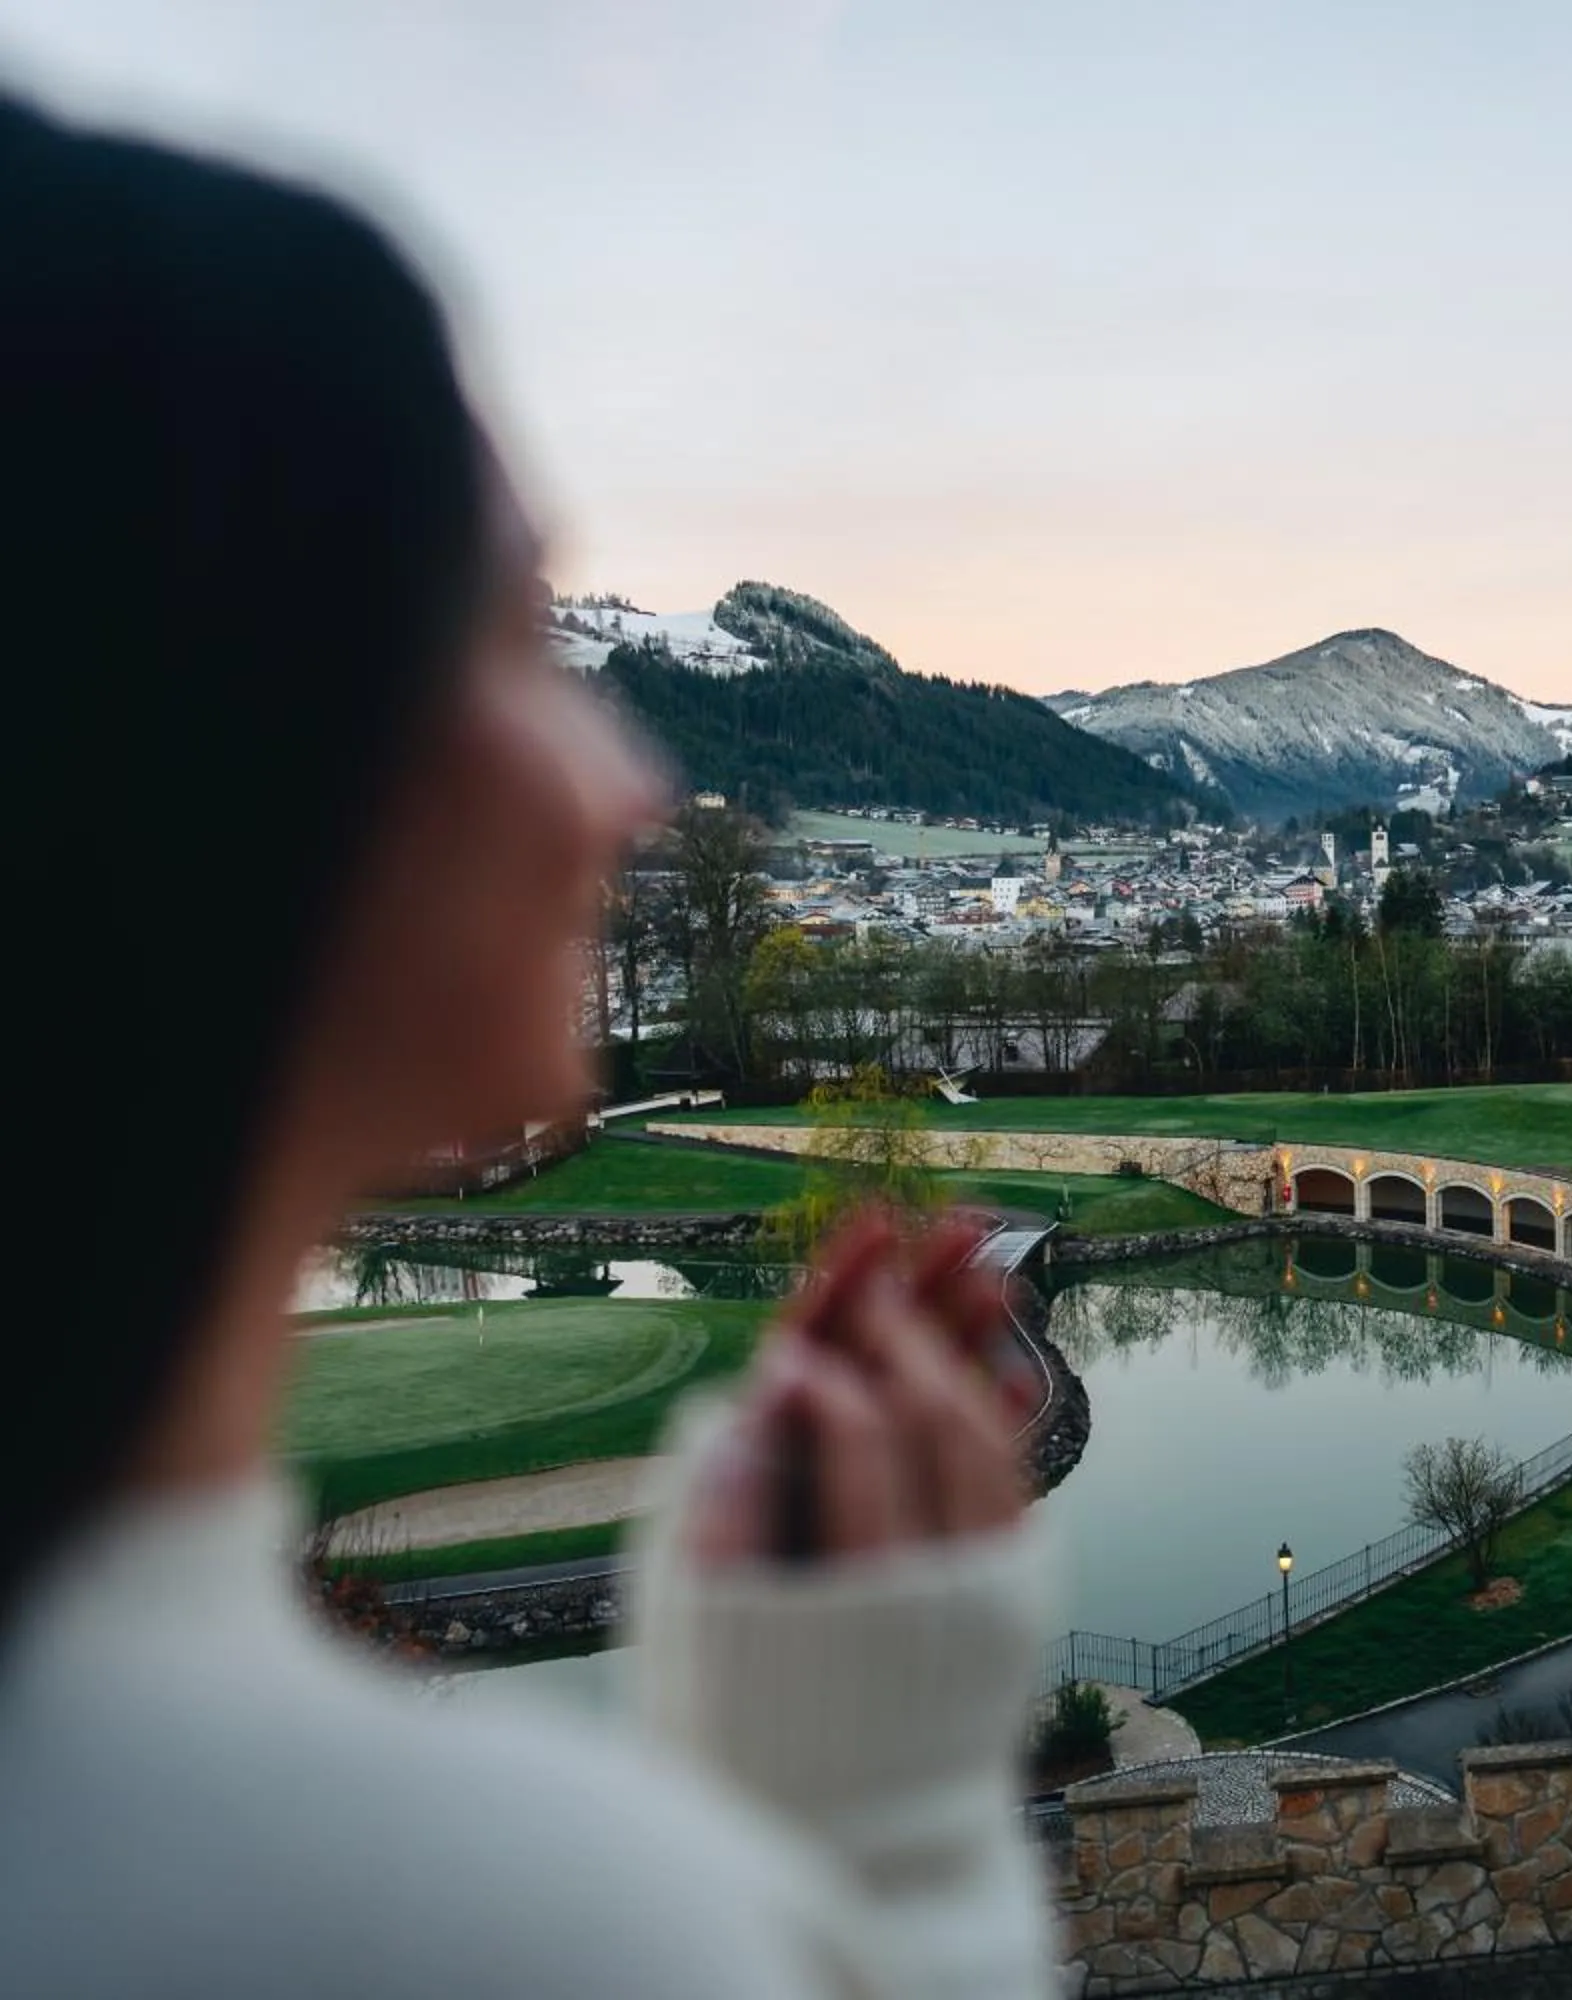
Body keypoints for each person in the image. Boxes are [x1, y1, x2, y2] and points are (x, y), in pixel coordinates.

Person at [0, 95, 1062, 1998]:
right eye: (515, 647)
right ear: (252, 748)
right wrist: (890, 1843)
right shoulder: (438, 1921)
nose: (625, 786)